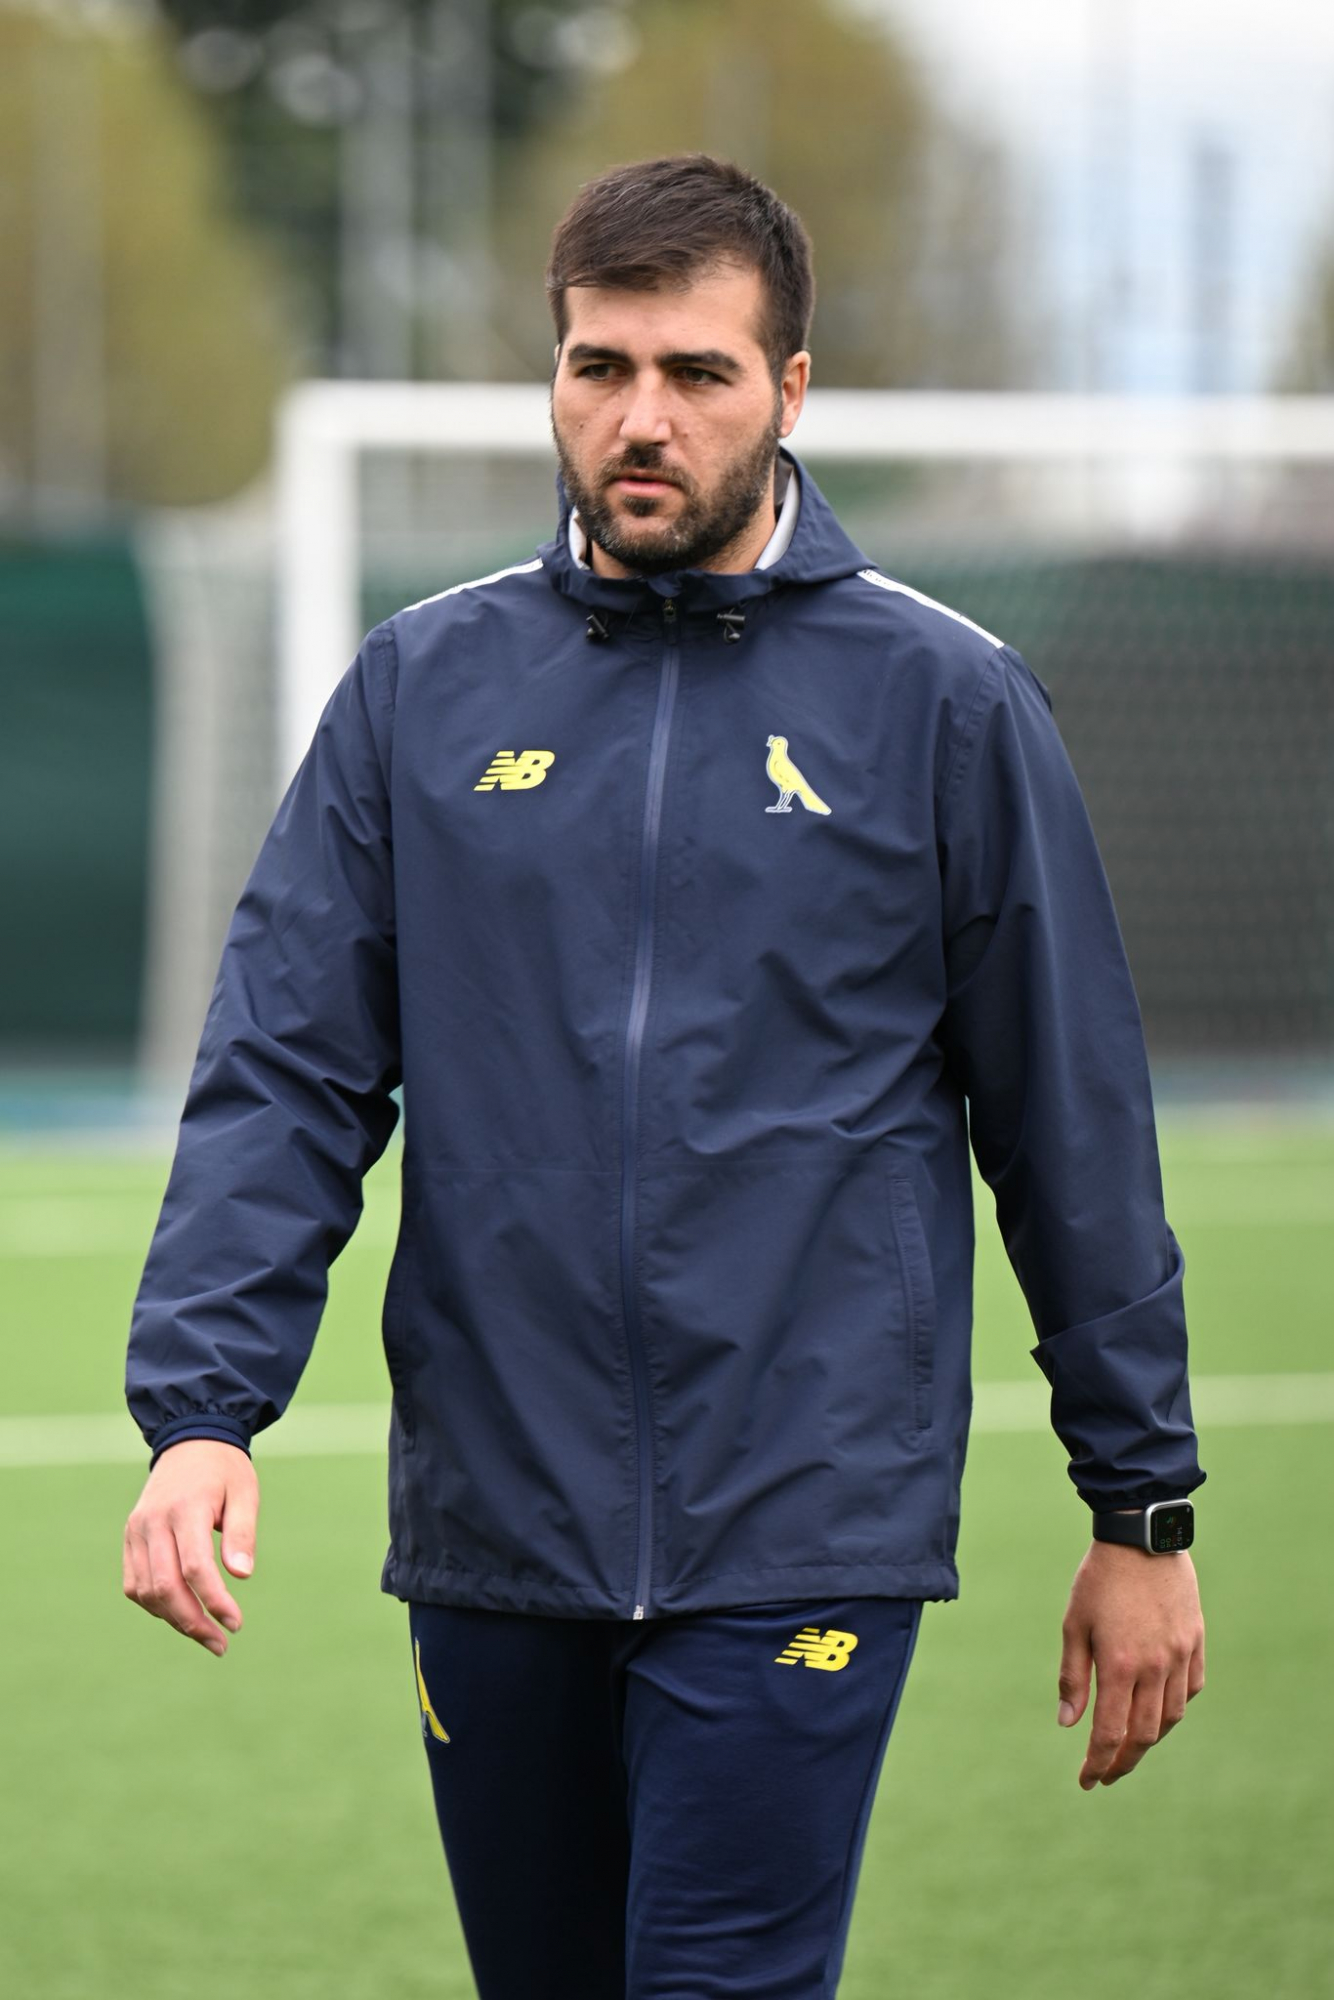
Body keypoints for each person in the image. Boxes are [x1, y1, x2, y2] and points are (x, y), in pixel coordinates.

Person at [124, 153, 1206, 1997]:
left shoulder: (943, 704)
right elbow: (289, 1071)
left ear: (790, 391)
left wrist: (1142, 1512)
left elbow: (1067, 1121)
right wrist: (204, 1408)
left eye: (695, 373)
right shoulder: (420, 691)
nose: (640, 419)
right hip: (495, 1525)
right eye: (595, 365)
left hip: (801, 1521)